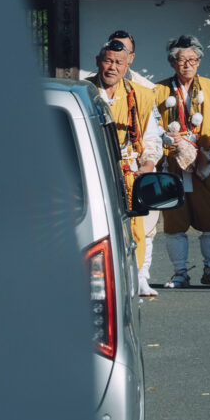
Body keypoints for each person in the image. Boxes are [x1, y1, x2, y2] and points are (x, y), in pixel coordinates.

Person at [82, 30, 162, 295]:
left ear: (128, 64)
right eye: (108, 61)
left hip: (128, 172)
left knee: (135, 232)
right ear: (97, 61)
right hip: (91, 172)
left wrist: (149, 163)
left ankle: (132, 282)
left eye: (119, 62)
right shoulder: (84, 91)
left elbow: (151, 137)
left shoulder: (142, 95)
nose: (112, 67)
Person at [153, 35, 210, 288]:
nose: (187, 65)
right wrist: (169, 141)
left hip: (205, 163)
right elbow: (151, 130)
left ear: (199, 61)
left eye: (193, 60)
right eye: (182, 60)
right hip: (172, 165)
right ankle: (180, 272)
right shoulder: (156, 91)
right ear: (172, 63)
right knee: (174, 222)